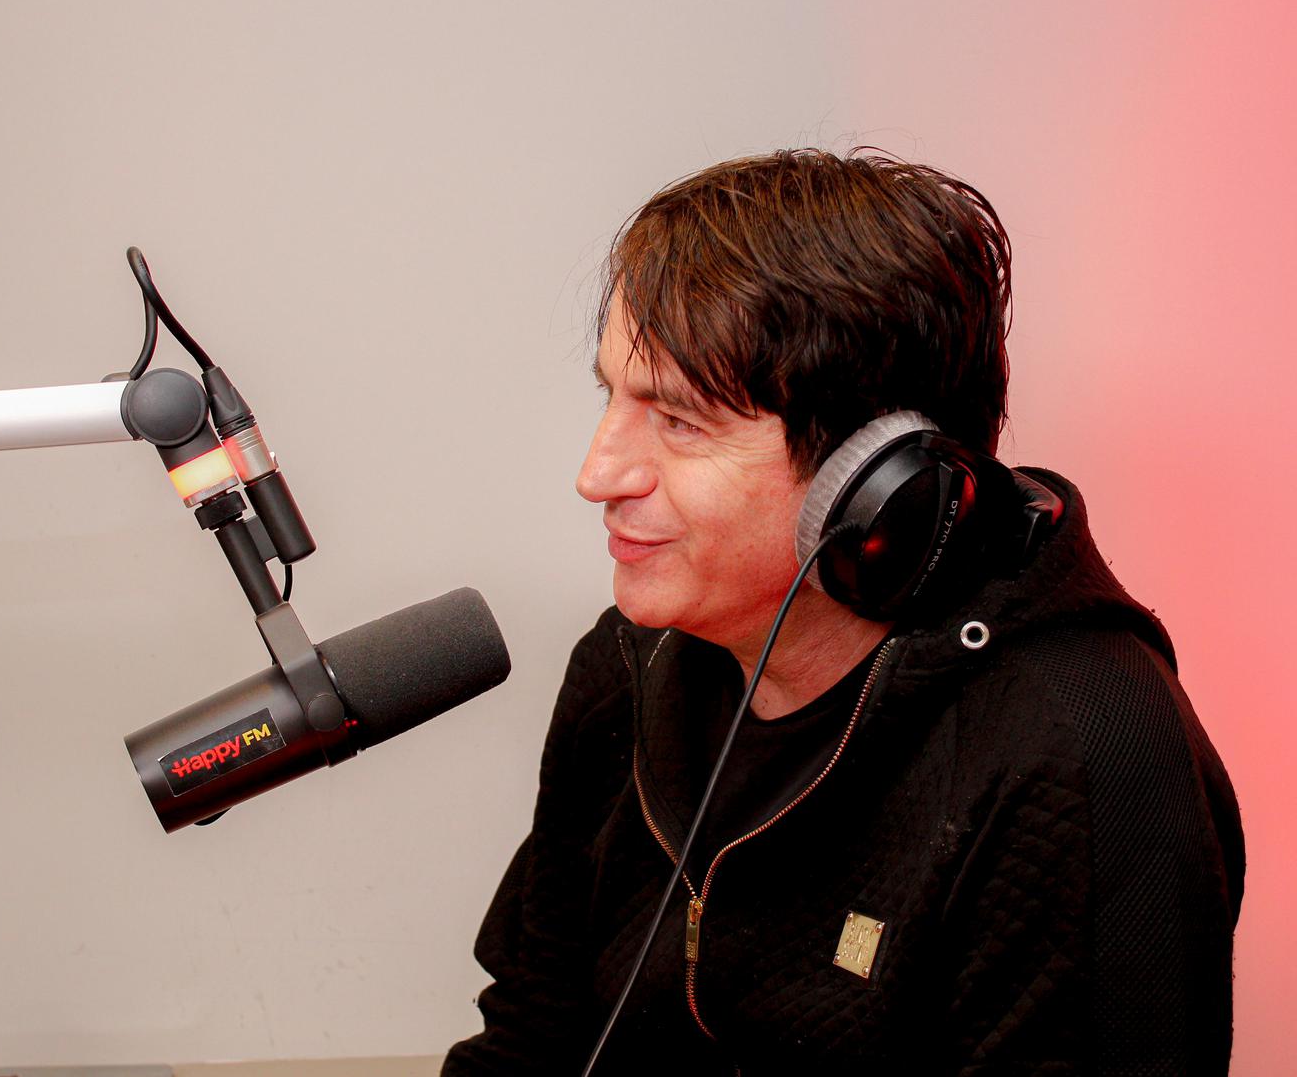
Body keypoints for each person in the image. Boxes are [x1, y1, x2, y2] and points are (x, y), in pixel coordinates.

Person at [442, 149, 1244, 1075]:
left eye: (681, 421)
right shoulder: (633, 664)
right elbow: (531, 1040)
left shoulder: (1085, 756)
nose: (598, 475)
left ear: (873, 485)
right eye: (611, 396)